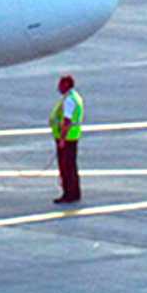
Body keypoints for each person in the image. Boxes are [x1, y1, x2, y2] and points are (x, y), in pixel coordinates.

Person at [50, 73, 84, 203]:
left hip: (67, 137)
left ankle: (69, 194)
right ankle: (74, 192)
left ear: (66, 85)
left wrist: (62, 139)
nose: (58, 87)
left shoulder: (69, 100)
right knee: (71, 166)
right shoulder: (75, 97)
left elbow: (67, 121)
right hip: (73, 136)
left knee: (66, 167)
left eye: (60, 84)